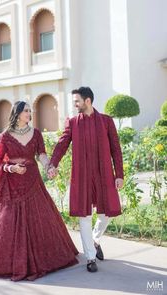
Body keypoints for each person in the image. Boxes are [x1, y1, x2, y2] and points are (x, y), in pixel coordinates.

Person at [0, 101, 78, 281]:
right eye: (26, 110)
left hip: (32, 180)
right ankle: (4, 262)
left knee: (40, 217)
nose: (29, 113)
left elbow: (41, 154)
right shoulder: (5, 136)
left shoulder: (36, 133)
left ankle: (45, 259)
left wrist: (49, 167)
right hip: (10, 184)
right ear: (17, 114)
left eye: (29, 110)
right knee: (4, 222)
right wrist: (12, 168)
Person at [47, 87, 124, 273]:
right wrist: (53, 164)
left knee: (107, 213)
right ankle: (90, 257)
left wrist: (119, 174)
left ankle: (95, 240)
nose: (75, 105)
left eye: (77, 101)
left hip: (104, 174)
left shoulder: (106, 122)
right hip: (82, 176)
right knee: (85, 216)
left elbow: (116, 148)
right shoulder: (73, 123)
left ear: (87, 101)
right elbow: (62, 144)